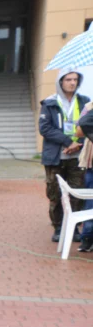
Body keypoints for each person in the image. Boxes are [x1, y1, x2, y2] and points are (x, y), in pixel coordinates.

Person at [40, 69, 89, 243]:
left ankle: (74, 226)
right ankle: (59, 228)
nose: (72, 83)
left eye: (75, 79)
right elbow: (45, 129)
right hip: (56, 157)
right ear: (61, 82)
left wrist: (78, 145)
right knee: (55, 194)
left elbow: (90, 126)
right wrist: (68, 142)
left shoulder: (84, 102)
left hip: (77, 156)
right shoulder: (50, 103)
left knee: (77, 192)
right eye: (68, 79)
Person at [76, 103, 93, 253]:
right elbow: (79, 130)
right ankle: (87, 238)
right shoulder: (89, 107)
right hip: (91, 163)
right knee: (90, 203)